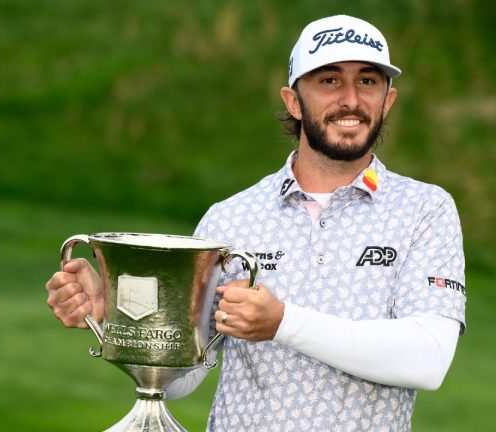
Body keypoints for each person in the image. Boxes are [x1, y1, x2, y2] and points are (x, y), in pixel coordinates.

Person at [46, 14, 466, 431]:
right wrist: (120, 317)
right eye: (329, 81)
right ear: (293, 101)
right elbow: (182, 376)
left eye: (368, 81)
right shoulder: (231, 217)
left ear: (388, 100)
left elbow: (427, 359)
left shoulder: (424, 210)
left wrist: (282, 322)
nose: (351, 100)